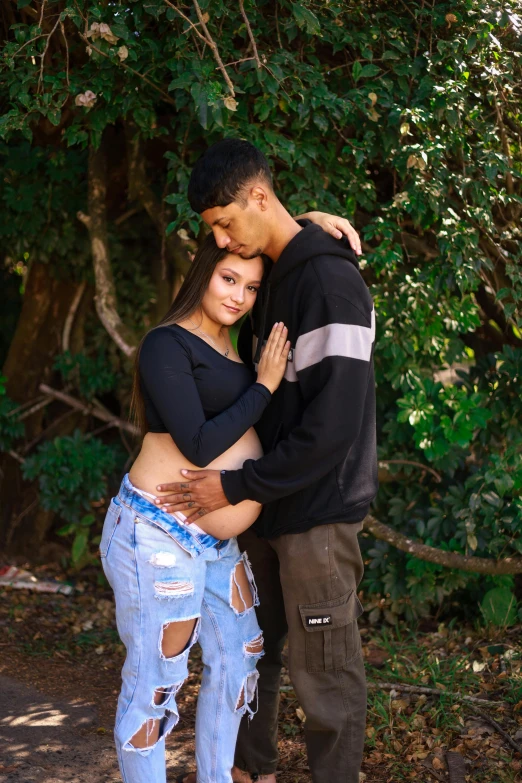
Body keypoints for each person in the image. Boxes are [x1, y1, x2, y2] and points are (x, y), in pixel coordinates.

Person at [100, 208, 361, 783]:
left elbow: (266, 221)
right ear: (202, 272)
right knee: (156, 683)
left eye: (251, 286)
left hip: (217, 541)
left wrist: (312, 222)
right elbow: (197, 444)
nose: (241, 296)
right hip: (156, 530)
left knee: (242, 659)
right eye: (227, 280)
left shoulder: (236, 340)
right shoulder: (166, 344)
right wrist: (265, 386)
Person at [156, 139, 378, 783]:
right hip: (267, 507)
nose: (223, 241)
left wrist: (236, 485)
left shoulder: (331, 285)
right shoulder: (279, 272)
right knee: (252, 656)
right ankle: (250, 772)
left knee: (326, 678)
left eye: (227, 222)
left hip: (316, 514)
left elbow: (332, 430)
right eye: (213, 230)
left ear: (258, 197)